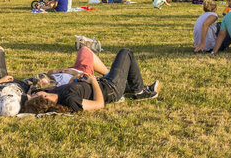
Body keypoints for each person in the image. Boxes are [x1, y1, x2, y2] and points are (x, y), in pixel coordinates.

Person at [24, 48, 161, 113]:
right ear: (45, 97)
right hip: (110, 89)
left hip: (103, 81)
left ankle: (134, 87)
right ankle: (139, 91)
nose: (36, 92)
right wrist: (93, 81)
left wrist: (77, 79)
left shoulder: (57, 92)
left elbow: (32, 88)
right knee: (125, 53)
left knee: (125, 75)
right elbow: (99, 104)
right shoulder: (70, 100)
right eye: (35, 95)